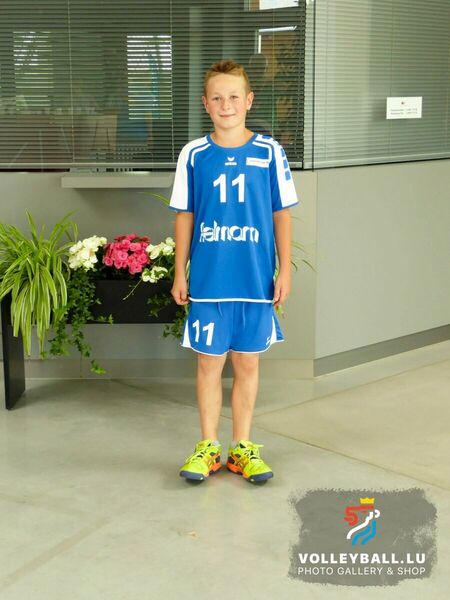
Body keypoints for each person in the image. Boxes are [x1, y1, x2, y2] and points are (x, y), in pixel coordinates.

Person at [169, 59, 299, 484]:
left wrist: (284, 270)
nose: (226, 105)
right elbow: (185, 215)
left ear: (249, 100)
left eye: (234, 97)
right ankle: (208, 447)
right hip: (209, 280)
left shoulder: (270, 151)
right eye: (218, 98)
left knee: (247, 363)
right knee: (209, 365)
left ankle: (242, 448)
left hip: (255, 279)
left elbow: (281, 214)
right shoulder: (194, 154)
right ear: (206, 104)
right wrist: (180, 272)